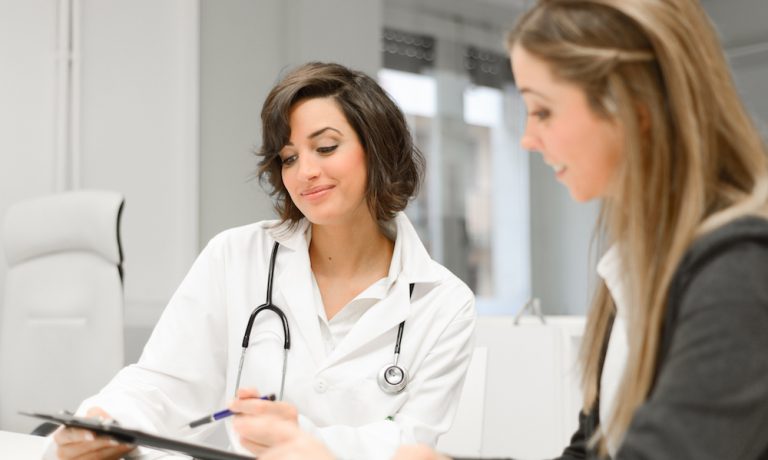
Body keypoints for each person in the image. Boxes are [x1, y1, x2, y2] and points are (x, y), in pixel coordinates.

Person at [258, 0, 768, 458]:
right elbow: (592, 450)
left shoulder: (739, 270)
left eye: (542, 110)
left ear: (636, 107)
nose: (526, 138)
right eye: (289, 157)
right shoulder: (638, 264)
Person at [50, 62, 476, 460]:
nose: (305, 171)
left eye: (325, 147)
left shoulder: (443, 302)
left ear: (378, 149)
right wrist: (103, 422)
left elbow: (411, 444)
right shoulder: (235, 256)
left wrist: (305, 440)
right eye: (289, 157)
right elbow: (164, 381)